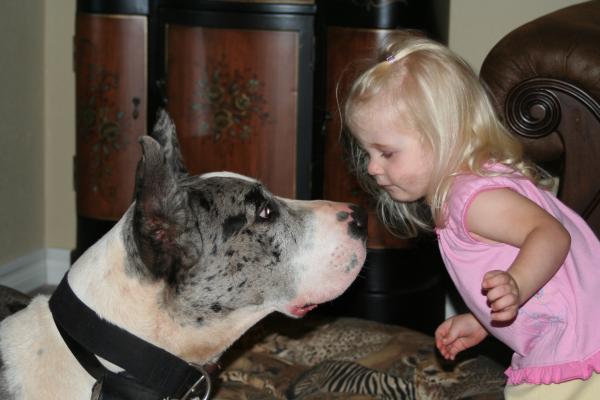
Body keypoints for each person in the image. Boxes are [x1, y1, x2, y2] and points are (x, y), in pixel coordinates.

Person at [341, 30, 600, 399]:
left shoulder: (471, 199)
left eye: (386, 153)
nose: (371, 168)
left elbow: (552, 235)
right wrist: (484, 319)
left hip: (575, 342)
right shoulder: (472, 181)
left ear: (441, 135)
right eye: (367, 152)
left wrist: (517, 285)